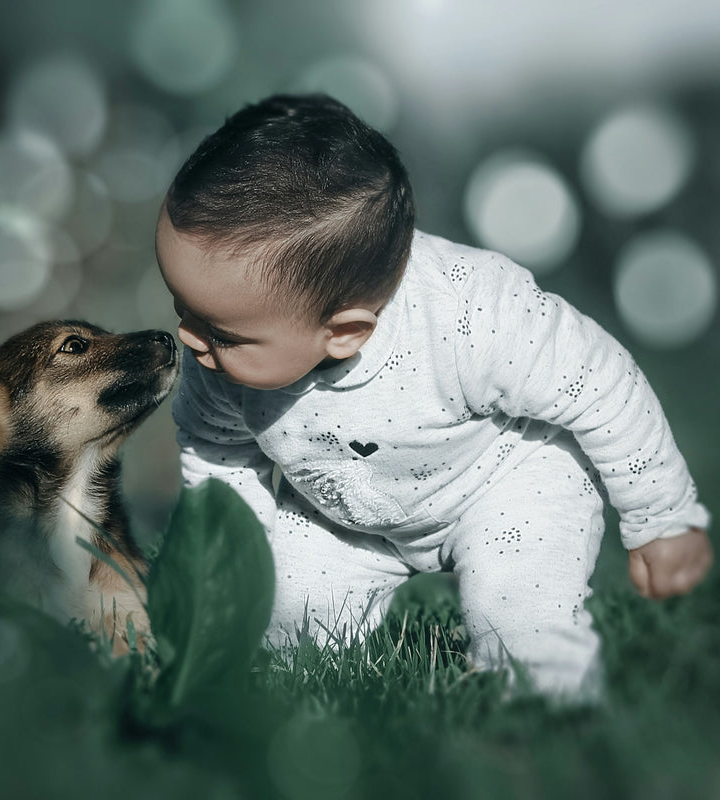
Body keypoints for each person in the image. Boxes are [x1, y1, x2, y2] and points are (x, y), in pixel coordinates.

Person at [155, 93, 712, 700]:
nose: (190, 340)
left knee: (519, 616)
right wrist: (226, 563)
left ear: (345, 333)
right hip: (344, 514)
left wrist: (662, 519)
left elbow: (601, 385)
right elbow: (219, 455)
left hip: (506, 482)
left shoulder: (473, 316)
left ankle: (546, 715)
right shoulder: (217, 359)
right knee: (283, 624)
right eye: (185, 309)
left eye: (220, 332)